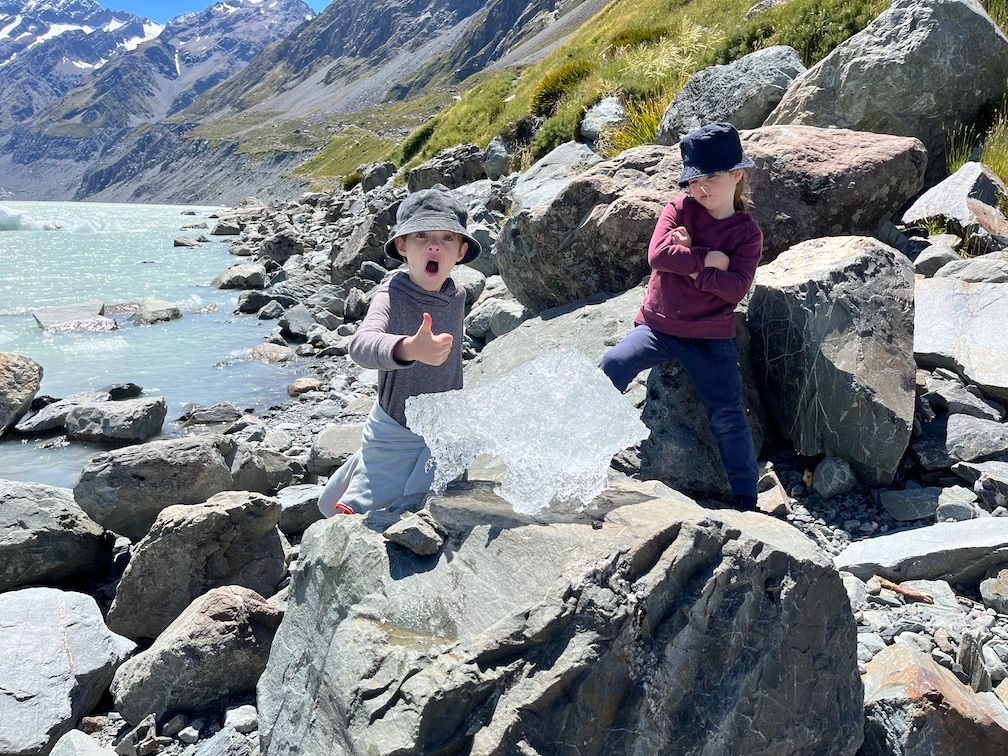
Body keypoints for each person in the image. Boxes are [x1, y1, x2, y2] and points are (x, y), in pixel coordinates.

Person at [599, 122, 762, 511]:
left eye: (711, 176)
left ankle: (747, 498)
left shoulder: (747, 233)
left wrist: (690, 265)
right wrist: (709, 262)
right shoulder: (679, 208)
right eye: (694, 179)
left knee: (727, 413)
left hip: (711, 336)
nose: (701, 187)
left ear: (737, 174)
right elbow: (657, 256)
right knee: (613, 362)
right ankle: (588, 446)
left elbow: (735, 289)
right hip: (658, 325)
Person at [317, 187, 480, 516]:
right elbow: (360, 346)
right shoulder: (391, 294)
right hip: (397, 428)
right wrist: (409, 348)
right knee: (356, 512)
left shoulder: (457, 295)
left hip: (441, 421)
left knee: (430, 499)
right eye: (421, 235)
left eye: (446, 238)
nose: (434, 245)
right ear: (402, 246)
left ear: (461, 251)